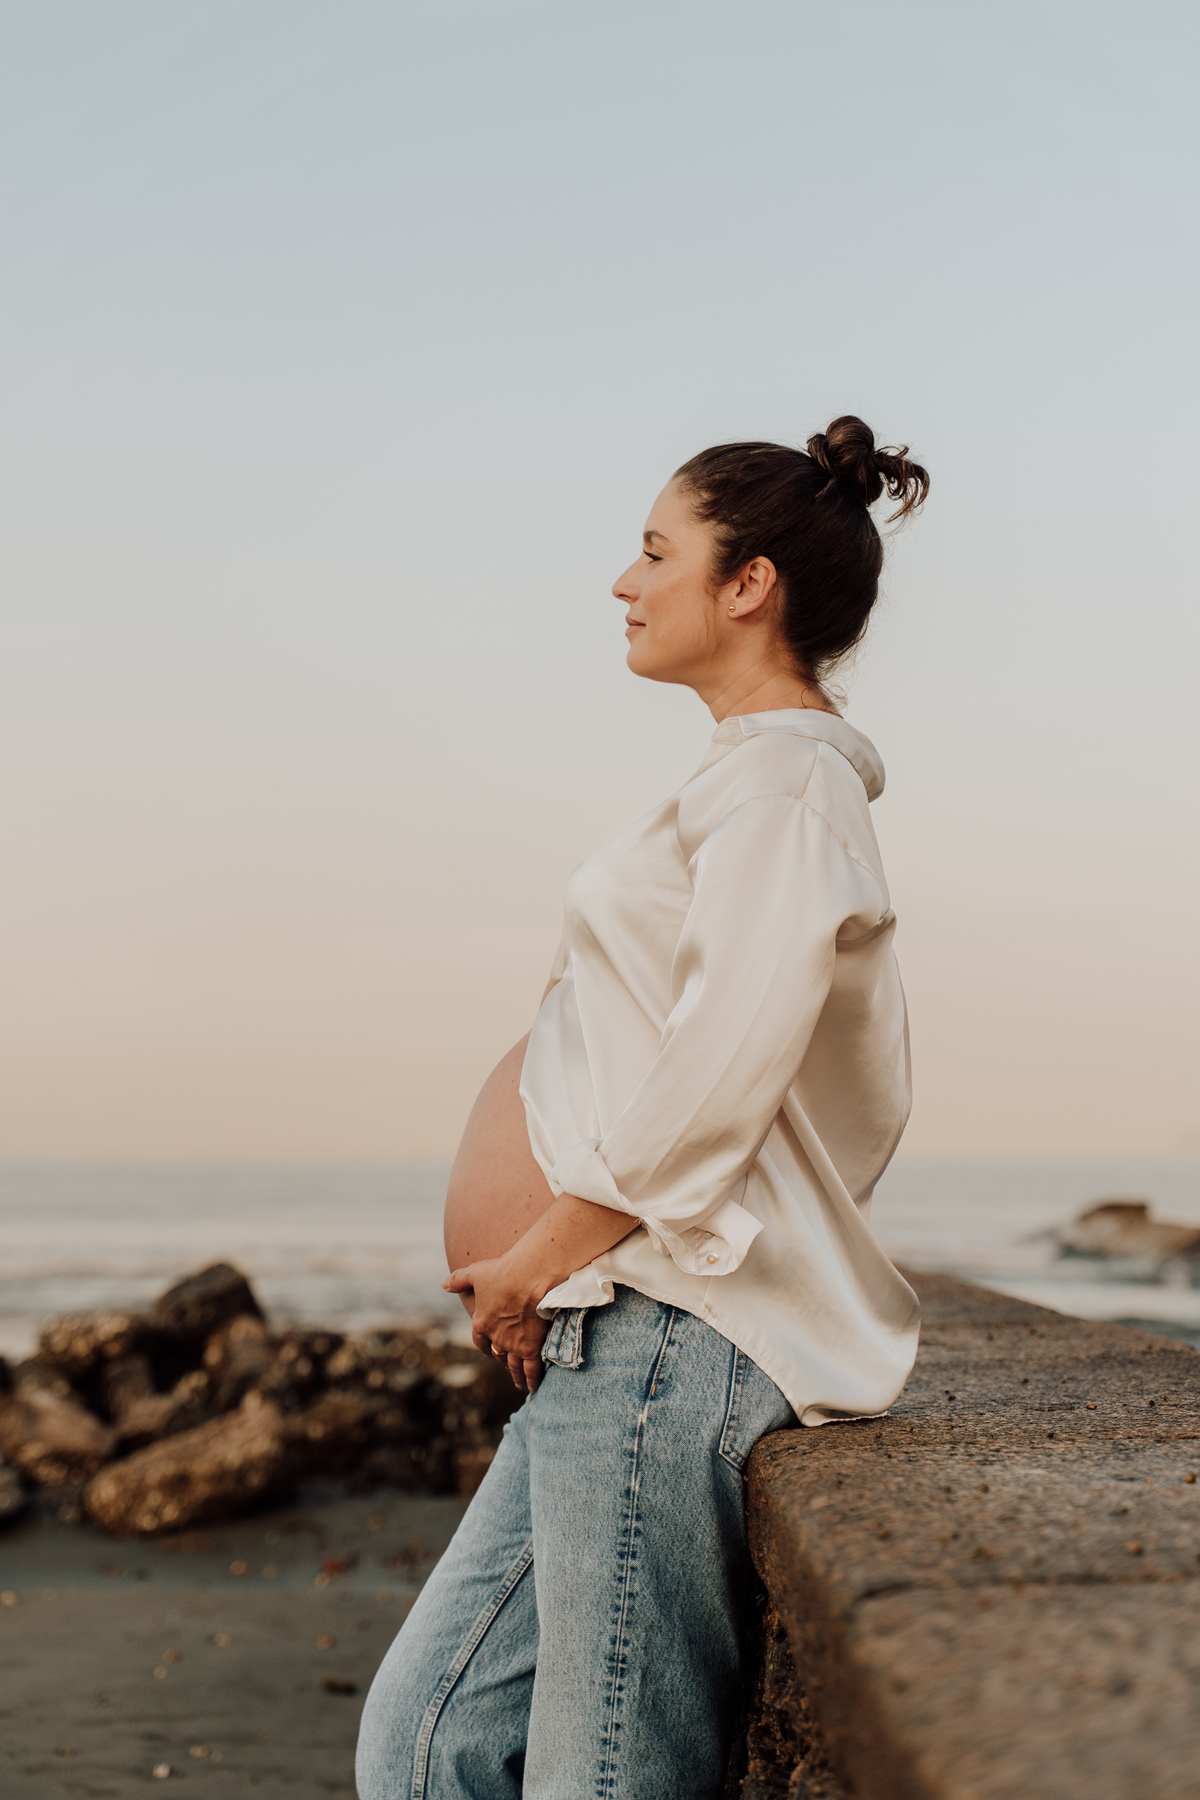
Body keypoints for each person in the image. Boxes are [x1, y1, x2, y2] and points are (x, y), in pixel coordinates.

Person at [357, 416, 930, 1800]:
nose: (625, 580)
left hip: (672, 1329)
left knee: (599, 1775)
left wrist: (546, 1250)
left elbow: (723, 1061)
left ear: (751, 586)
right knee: (426, 1742)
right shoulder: (747, 780)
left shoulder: (787, 786)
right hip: (619, 1323)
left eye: (657, 550)